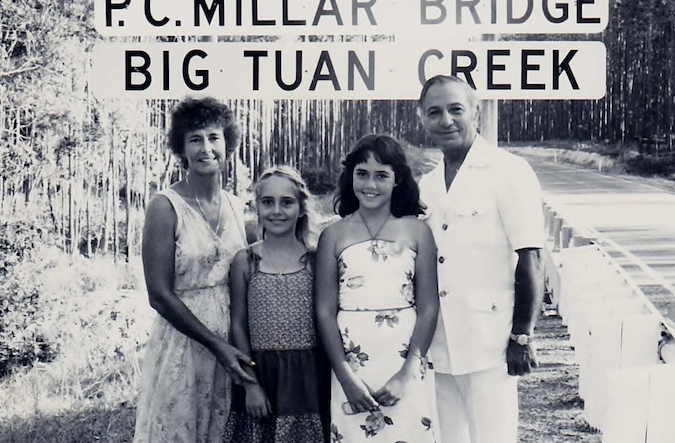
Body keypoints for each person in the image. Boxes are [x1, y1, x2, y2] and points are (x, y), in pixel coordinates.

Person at [416, 75, 545, 443]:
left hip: (491, 339)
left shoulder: (509, 171)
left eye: (456, 110)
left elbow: (531, 256)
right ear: (422, 118)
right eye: (434, 112)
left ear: (476, 112)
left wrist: (522, 335)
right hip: (439, 342)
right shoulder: (428, 184)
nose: (446, 121)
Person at [134, 97, 256, 442]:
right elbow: (159, 294)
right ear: (181, 149)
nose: (206, 148)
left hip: (234, 340)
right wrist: (216, 345)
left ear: (227, 142)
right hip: (185, 342)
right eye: (195, 139)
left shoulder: (237, 206)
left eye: (214, 137)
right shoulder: (165, 207)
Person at [315, 134, 440, 443]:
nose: (370, 184)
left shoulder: (418, 232)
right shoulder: (332, 235)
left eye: (381, 175)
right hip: (351, 359)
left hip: (404, 356)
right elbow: (324, 310)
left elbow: (428, 307)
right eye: (362, 174)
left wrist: (409, 370)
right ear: (351, 176)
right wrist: (345, 376)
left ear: (397, 179)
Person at [224, 165, 331, 443]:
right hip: (262, 373)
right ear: (257, 207)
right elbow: (238, 325)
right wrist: (251, 385)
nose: (277, 211)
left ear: (302, 208)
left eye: (287, 202)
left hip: (307, 376)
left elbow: (327, 317)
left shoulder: (315, 260)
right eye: (267, 202)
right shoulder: (245, 261)